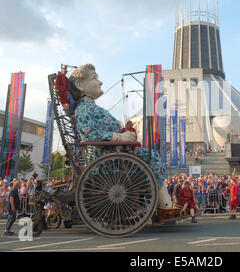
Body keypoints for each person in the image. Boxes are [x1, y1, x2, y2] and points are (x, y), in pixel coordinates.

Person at [70, 64, 173, 209]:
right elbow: (89, 133)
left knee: (152, 155)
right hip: (106, 161)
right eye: (95, 78)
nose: (100, 82)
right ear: (79, 85)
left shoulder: (90, 107)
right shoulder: (83, 109)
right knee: (152, 157)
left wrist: (125, 136)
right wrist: (119, 137)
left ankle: (161, 202)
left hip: (113, 155)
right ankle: (165, 204)